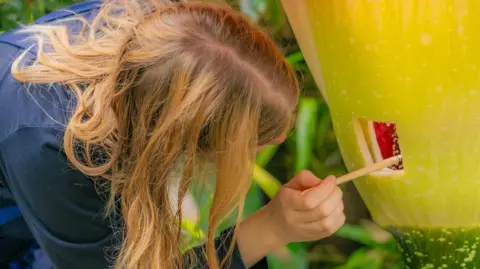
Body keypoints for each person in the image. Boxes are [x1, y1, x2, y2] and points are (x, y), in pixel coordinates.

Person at [0, 0, 346, 268]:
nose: (281, 139)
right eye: (255, 140)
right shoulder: (50, 146)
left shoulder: (161, 30)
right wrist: (272, 228)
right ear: (179, 137)